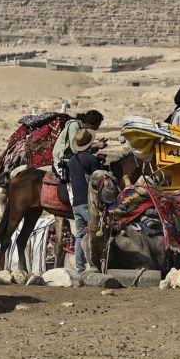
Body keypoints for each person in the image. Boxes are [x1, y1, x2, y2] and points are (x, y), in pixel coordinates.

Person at [55, 110, 104, 272]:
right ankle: (93, 265)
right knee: (92, 234)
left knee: (80, 236)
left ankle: (80, 267)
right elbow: (98, 178)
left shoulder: (72, 162)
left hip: (76, 203)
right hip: (88, 203)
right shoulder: (91, 159)